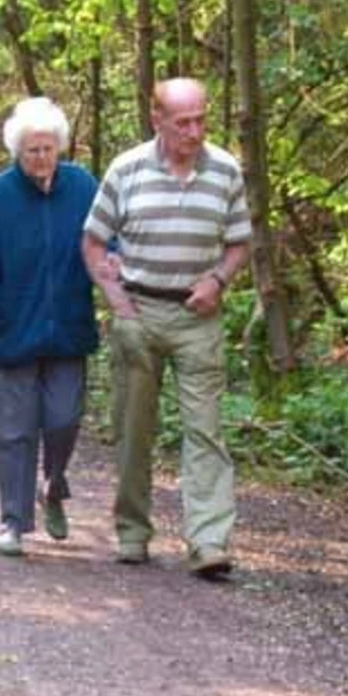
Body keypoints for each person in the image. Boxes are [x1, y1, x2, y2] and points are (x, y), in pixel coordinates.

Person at [81, 77, 252, 578]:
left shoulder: (225, 170)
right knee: (134, 430)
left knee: (206, 432)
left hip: (199, 317)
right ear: (157, 119)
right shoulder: (126, 169)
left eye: (201, 119)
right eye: (184, 122)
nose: (194, 131)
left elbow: (240, 241)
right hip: (140, 312)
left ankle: (209, 542)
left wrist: (218, 279)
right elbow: (93, 243)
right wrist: (117, 302)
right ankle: (132, 533)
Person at [0, 96, 100, 557]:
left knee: (64, 420)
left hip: (68, 331)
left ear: (61, 147)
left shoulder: (83, 188)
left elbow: (107, 244)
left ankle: (53, 487)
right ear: (18, 151)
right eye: (33, 150)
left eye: (49, 148)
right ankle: (13, 522)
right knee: (16, 431)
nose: (41, 157)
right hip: (14, 332)